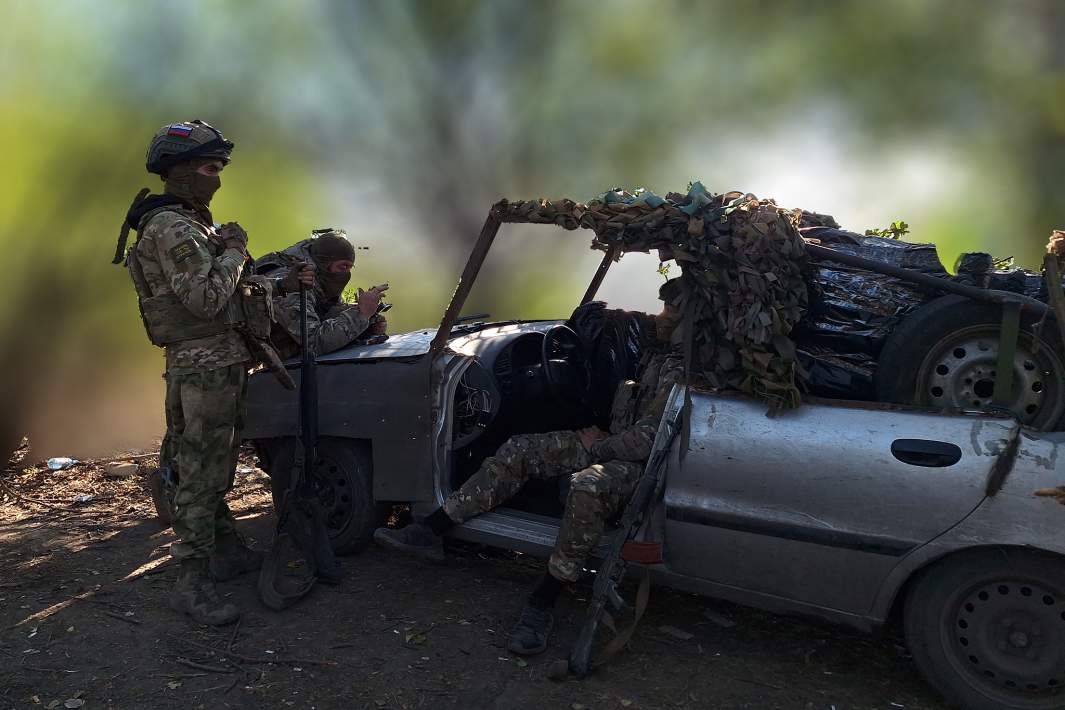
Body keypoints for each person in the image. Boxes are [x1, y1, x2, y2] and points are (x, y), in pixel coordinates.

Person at [374, 280, 686, 655]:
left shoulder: (681, 370)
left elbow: (649, 440)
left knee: (587, 487)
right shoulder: (657, 350)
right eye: (663, 308)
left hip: (640, 464)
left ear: (689, 321)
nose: (660, 317)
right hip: (611, 442)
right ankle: (433, 529)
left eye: (671, 312)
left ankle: (542, 603)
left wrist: (599, 445)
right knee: (522, 448)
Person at [119, 120, 268, 626]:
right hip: (205, 364)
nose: (218, 178)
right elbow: (205, 299)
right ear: (181, 170)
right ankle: (190, 582)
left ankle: (225, 552)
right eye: (210, 167)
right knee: (203, 471)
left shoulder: (180, 222)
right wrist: (234, 249)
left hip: (209, 361)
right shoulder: (174, 227)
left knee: (207, 463)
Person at [255, 229, 388, 359]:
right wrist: (361, 314)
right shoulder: (294, 281)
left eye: (349, 268)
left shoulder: (322, 281)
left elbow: (324, 315)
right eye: (342, 267)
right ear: (324, 264)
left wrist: (367, 323)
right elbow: (313, 342)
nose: (346, 274)